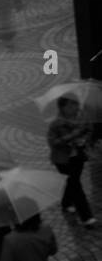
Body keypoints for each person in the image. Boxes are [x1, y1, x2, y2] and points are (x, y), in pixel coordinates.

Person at [47, 94, 96, 225]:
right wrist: (73, 137)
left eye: (76, 104)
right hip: (63, 160)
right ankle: (87, 217)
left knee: (72, 182)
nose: (75, 107)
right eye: (71, 105)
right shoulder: (56, 124)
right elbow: (53, 142)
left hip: (78, 157)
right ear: (62, 107)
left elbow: (90, 131)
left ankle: (66, 202)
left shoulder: (82, 119)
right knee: (76, 186)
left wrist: (85, 139)